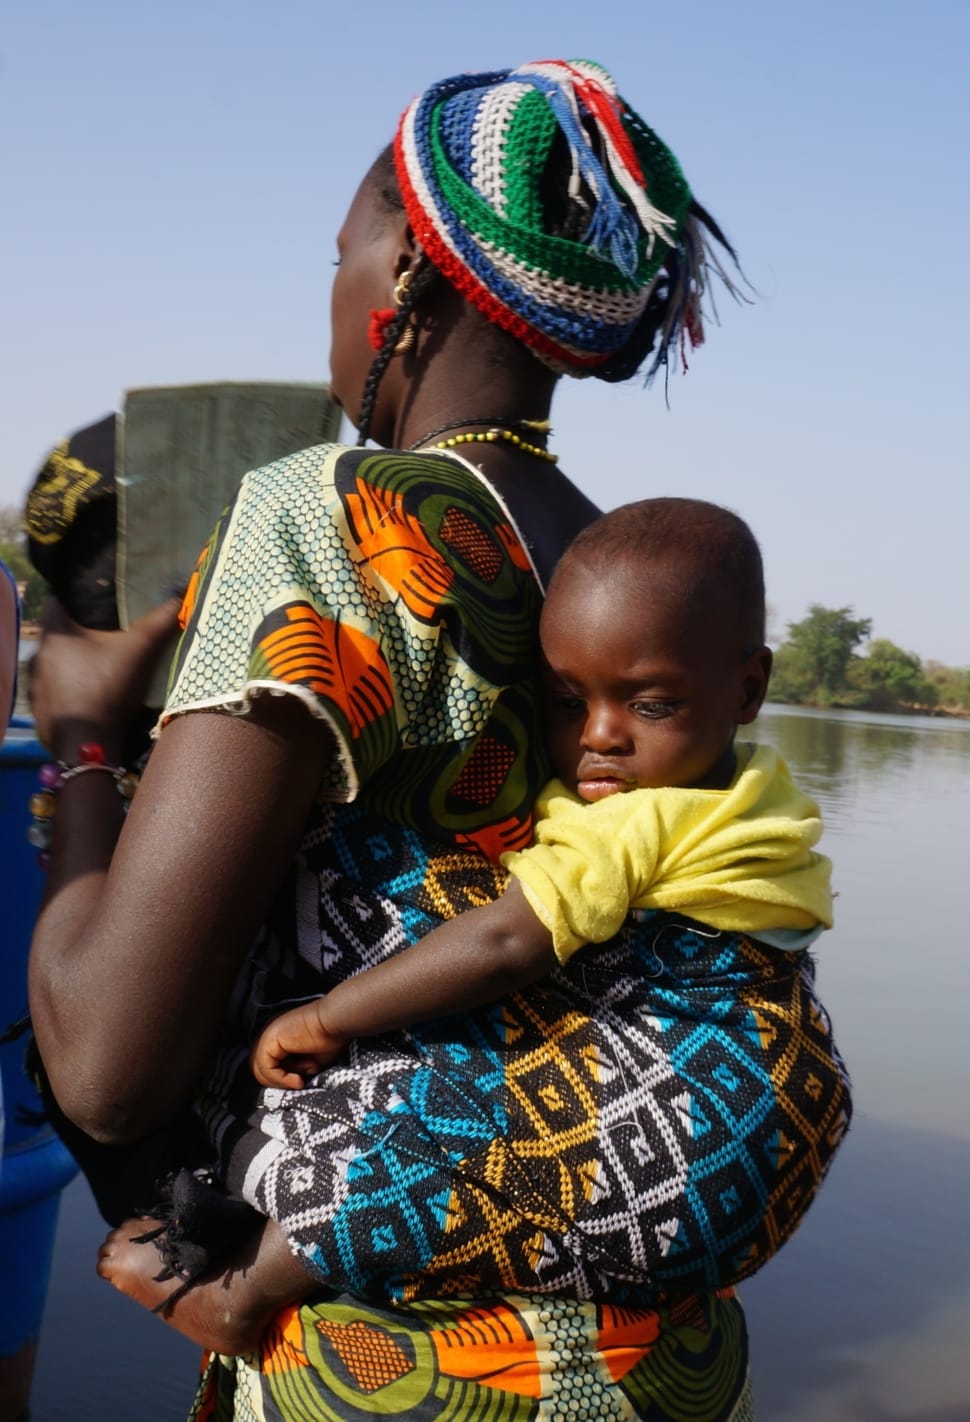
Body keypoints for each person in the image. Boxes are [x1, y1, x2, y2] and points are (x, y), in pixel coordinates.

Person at [30, 59, 776, 1421]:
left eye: (339, 252)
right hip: (657, 1351)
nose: (330, 294)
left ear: (406, 274)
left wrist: (78, 740)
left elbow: (108, 1065)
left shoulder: (332, 512)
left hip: (403, 1364)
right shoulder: (627, 588)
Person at [94, 496, 849, 1357]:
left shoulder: (637, 824)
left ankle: (242, 1293)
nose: (601, 737)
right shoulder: (759, 795)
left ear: (749, 687)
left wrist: (326, 1017)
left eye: (651, 705)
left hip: (700, 1128)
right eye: (567, 701)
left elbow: (502, 945)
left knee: (417, 1124)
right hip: (758, 1168)